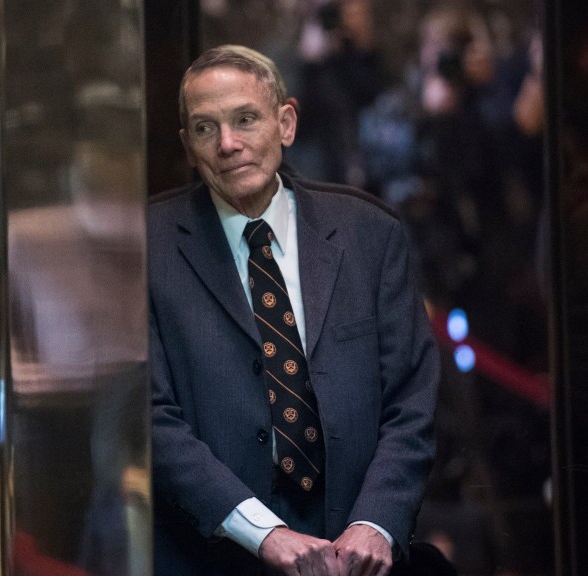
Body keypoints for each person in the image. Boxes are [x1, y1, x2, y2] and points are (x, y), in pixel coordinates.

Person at [149, 45, 440, 576]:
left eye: (245, 119)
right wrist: (264, 535)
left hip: (358, 561)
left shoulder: (368, 234)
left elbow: (411, 401)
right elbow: (149, 418)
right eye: (205, 128)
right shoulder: (147, 246)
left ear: (286, 122)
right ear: (188, 146)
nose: (229, 144)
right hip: (210, 559)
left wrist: (376, 524)